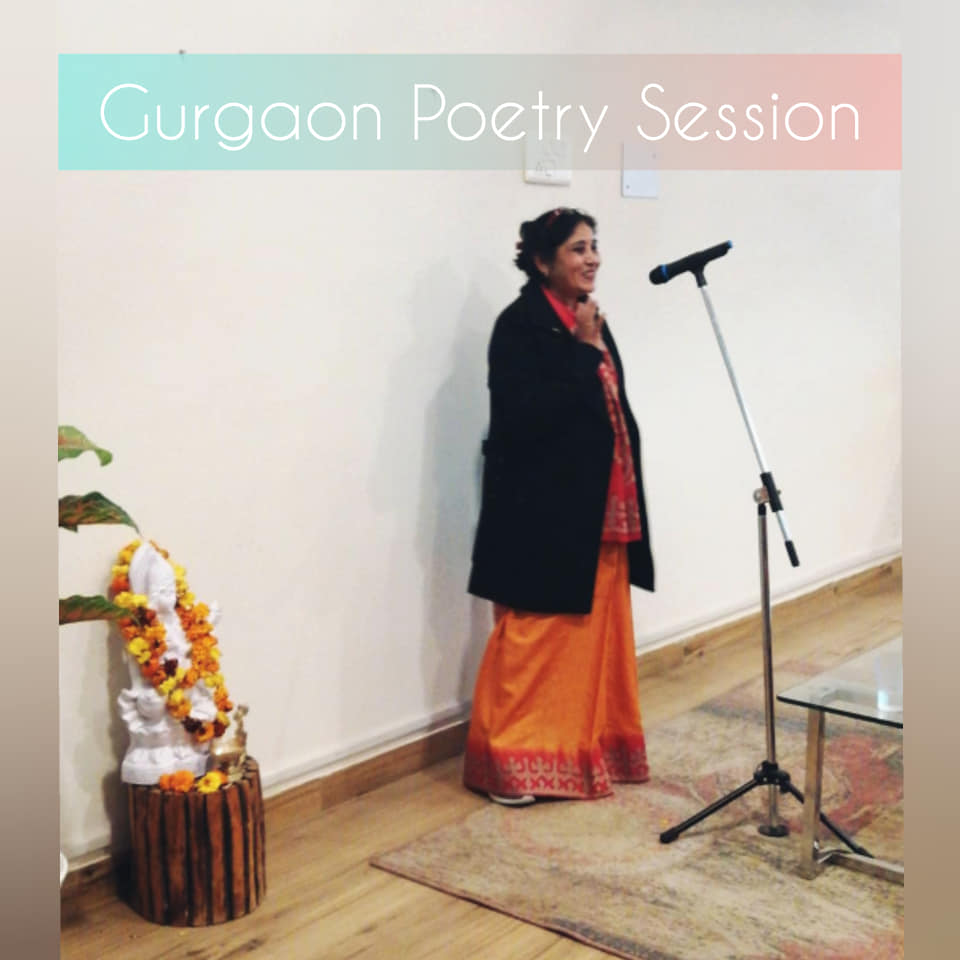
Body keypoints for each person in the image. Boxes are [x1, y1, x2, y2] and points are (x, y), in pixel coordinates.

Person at [464, 207, 654, 804]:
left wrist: (586, 342)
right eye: (577, 249)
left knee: (590, 639)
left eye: (593, 246)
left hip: (594, 505)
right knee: (535, 638)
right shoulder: (518, 325)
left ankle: (585, 748)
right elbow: (525, 417)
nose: (592, 258)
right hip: (540, 514)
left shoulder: (587, 316)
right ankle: (508, 765)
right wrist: (581, 350)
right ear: (543, 262)